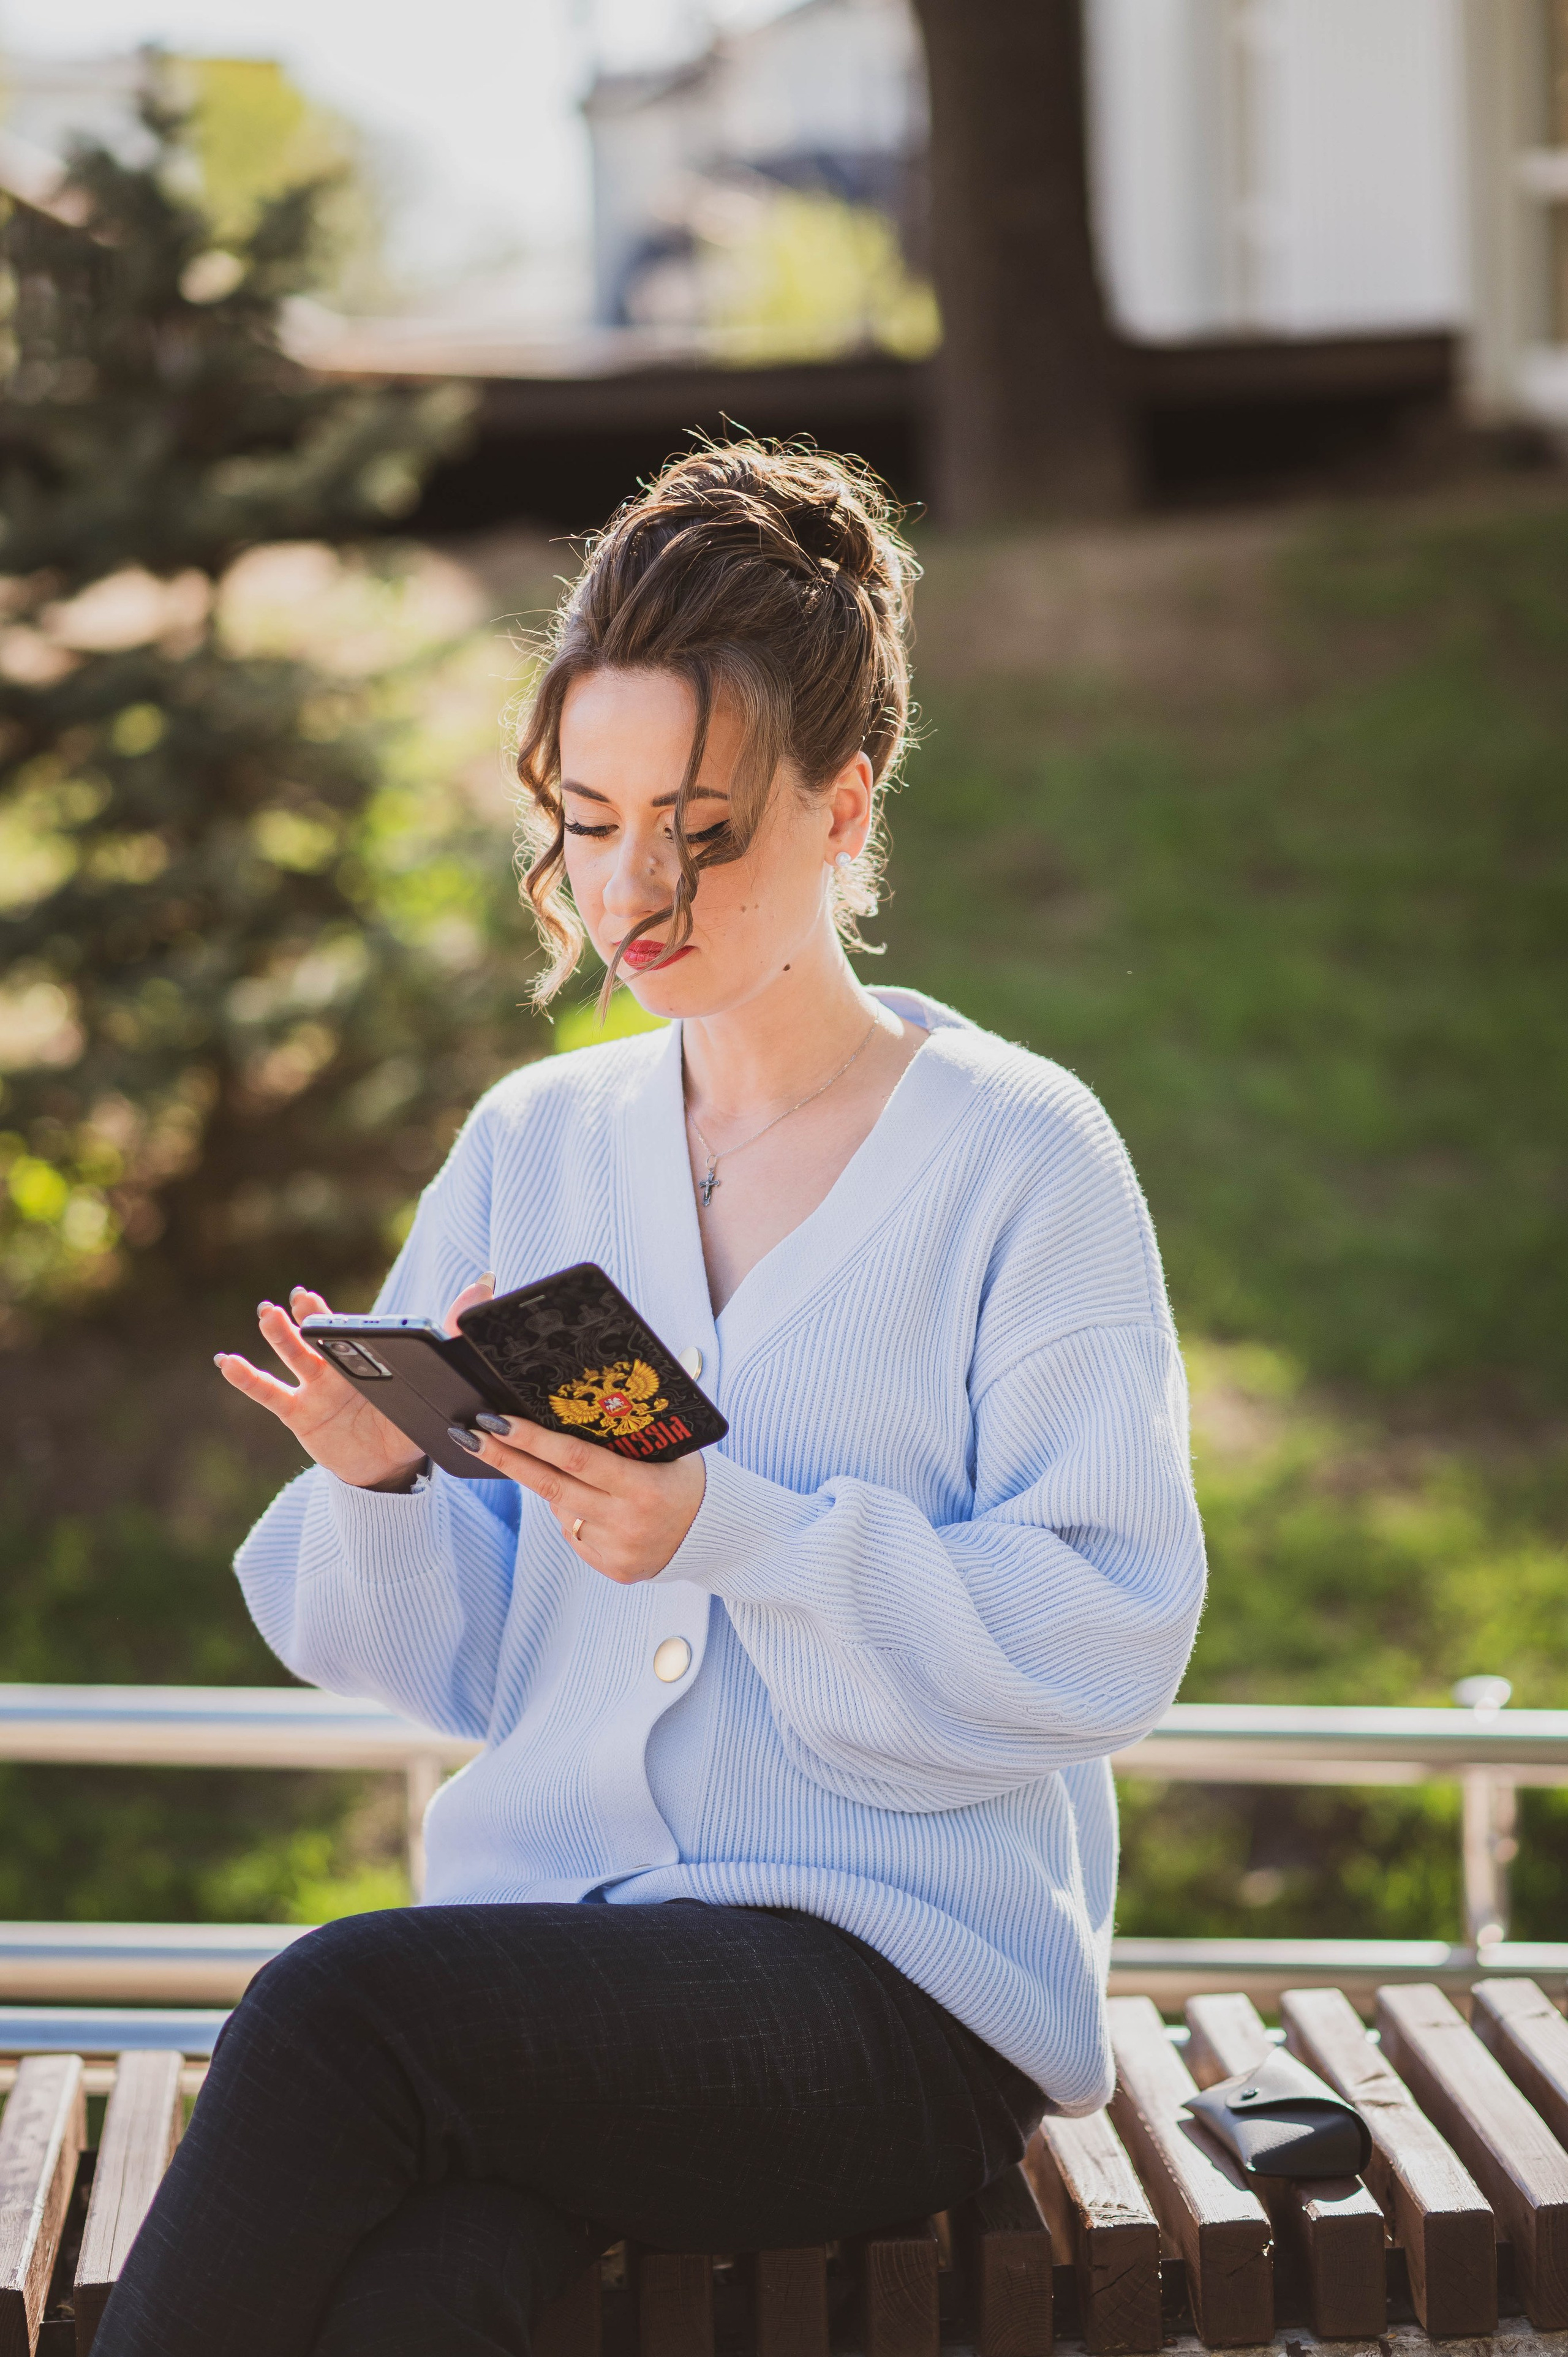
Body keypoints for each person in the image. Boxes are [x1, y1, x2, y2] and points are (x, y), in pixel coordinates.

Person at [97, 443, 1206, 2357]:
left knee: (337, 2012)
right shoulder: (540, 1142)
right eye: (590, 819)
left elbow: (1114, 1624)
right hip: (583, 1980)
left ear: (845, 807)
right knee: (423, 2293)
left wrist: (740, 1536)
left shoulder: (1020, 1154)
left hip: (890, 1993)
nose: (631, 889)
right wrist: (382, 1479)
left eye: (699, 827)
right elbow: (467, 1671)